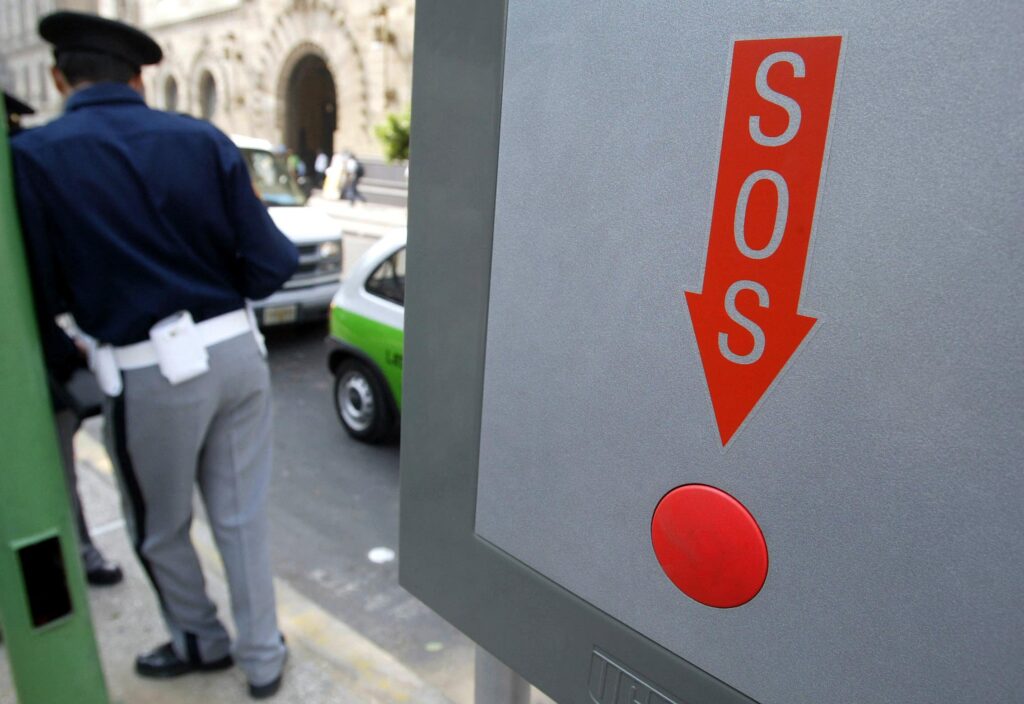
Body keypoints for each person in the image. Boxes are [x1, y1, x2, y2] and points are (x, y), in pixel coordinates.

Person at [11, 12, 297, 699]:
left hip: (149, 372)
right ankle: (263, 659)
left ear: (58, 77)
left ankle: (201, 640)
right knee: (241, 519)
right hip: (237, 352)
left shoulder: (32, 156)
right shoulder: (201, 137)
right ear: (140, 78)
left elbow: (40, 288)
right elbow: (269, 262)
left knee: (159, 527)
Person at [6, 90, 124, 587]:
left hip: (36, 358)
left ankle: (70, 560)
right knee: (49, 475)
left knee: (53, 475)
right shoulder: (23, 165)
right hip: (31, 365)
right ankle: (65, 566)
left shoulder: (23, 165)